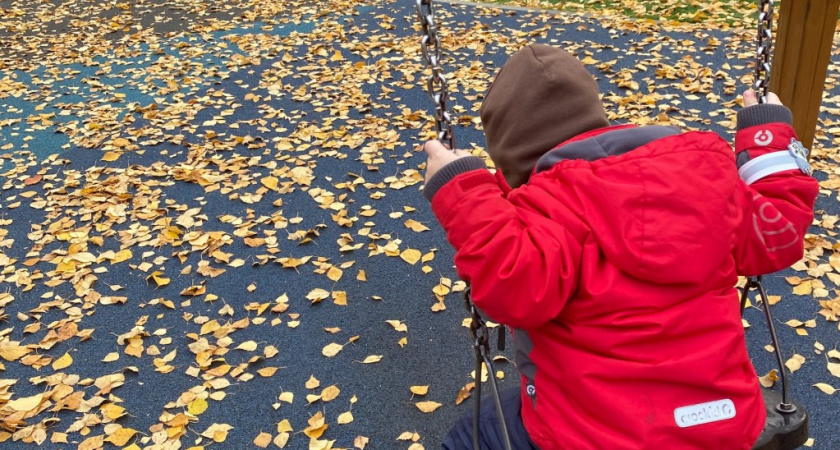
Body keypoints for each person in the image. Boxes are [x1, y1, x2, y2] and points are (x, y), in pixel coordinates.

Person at [421, 44, 818, 449]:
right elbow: (779, 231)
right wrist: (767, 138)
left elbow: (511, 289)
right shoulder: (707, 183)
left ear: (514, 161)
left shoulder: (544, 215)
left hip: (598, 438)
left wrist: (463, 192)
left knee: (474, 433)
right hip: (724, 421)